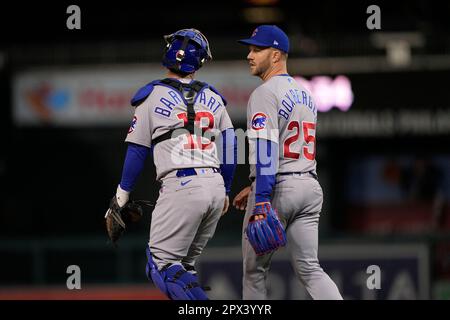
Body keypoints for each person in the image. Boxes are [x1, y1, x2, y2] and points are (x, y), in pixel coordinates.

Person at [106, 28, 236, 300]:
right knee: (182, 269)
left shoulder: (151, 95)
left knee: (160, 264)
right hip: (213, 186)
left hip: (182, 186)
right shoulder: (214, 98)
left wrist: (120, 198)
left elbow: (137, 151)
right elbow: (232, 146)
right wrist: (225, 189)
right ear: (199, 61)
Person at [233, 25, 343, 300]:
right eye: (250, 48)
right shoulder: (305, 93)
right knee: (310, 269)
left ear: (277, 55)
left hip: (279, 189)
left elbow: (267, 149)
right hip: (309, 187)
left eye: (258, 49)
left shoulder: (264, 93)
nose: (250, 54)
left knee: (254, 272)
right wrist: (256, 183)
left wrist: (261, 198)